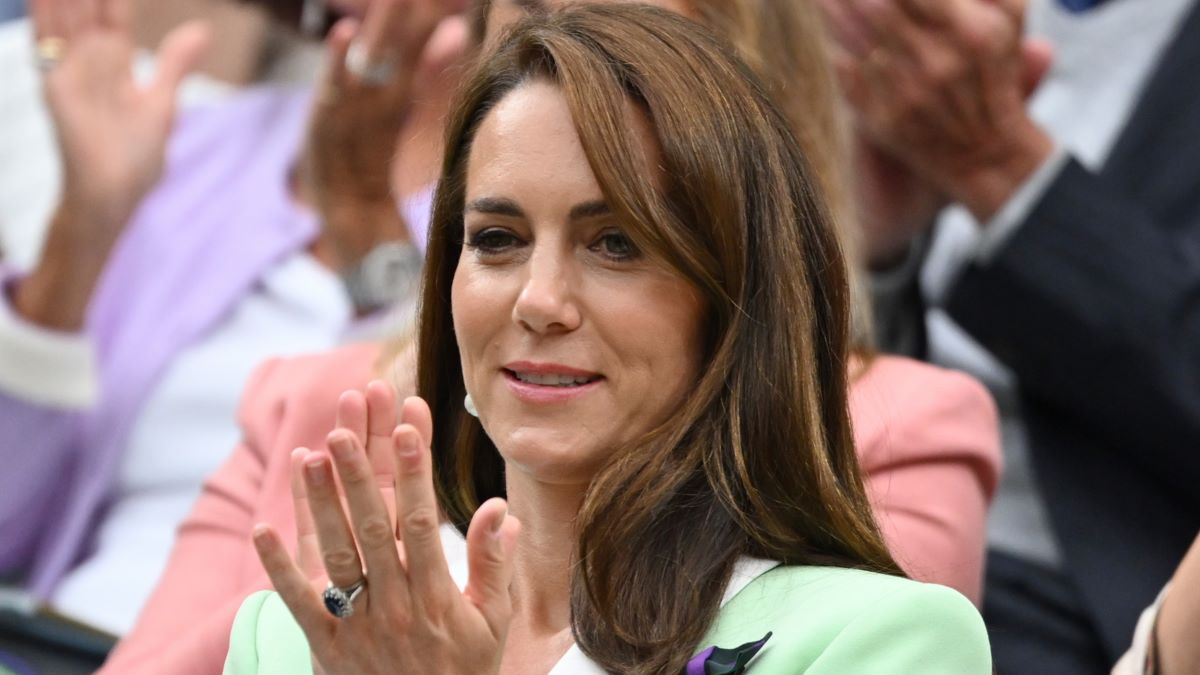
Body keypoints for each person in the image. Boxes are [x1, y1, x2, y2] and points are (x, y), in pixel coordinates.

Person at [102, 0, 1000, 672]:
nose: (540, 300)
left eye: (618, 243)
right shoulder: (294, 636)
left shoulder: (884, 639)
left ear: (733, 300)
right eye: (495, 240)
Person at [0, 0, 465, 639]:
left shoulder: (529, 207)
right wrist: (84, 225)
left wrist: (362, 213)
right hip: (60, 637)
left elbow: (437, 495)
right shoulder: (196, 146)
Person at [817, 0, 1200, 671]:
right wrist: (875, 251)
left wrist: (1003, 169)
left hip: (1095, 593)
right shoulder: (908, 31)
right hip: (856, 512)